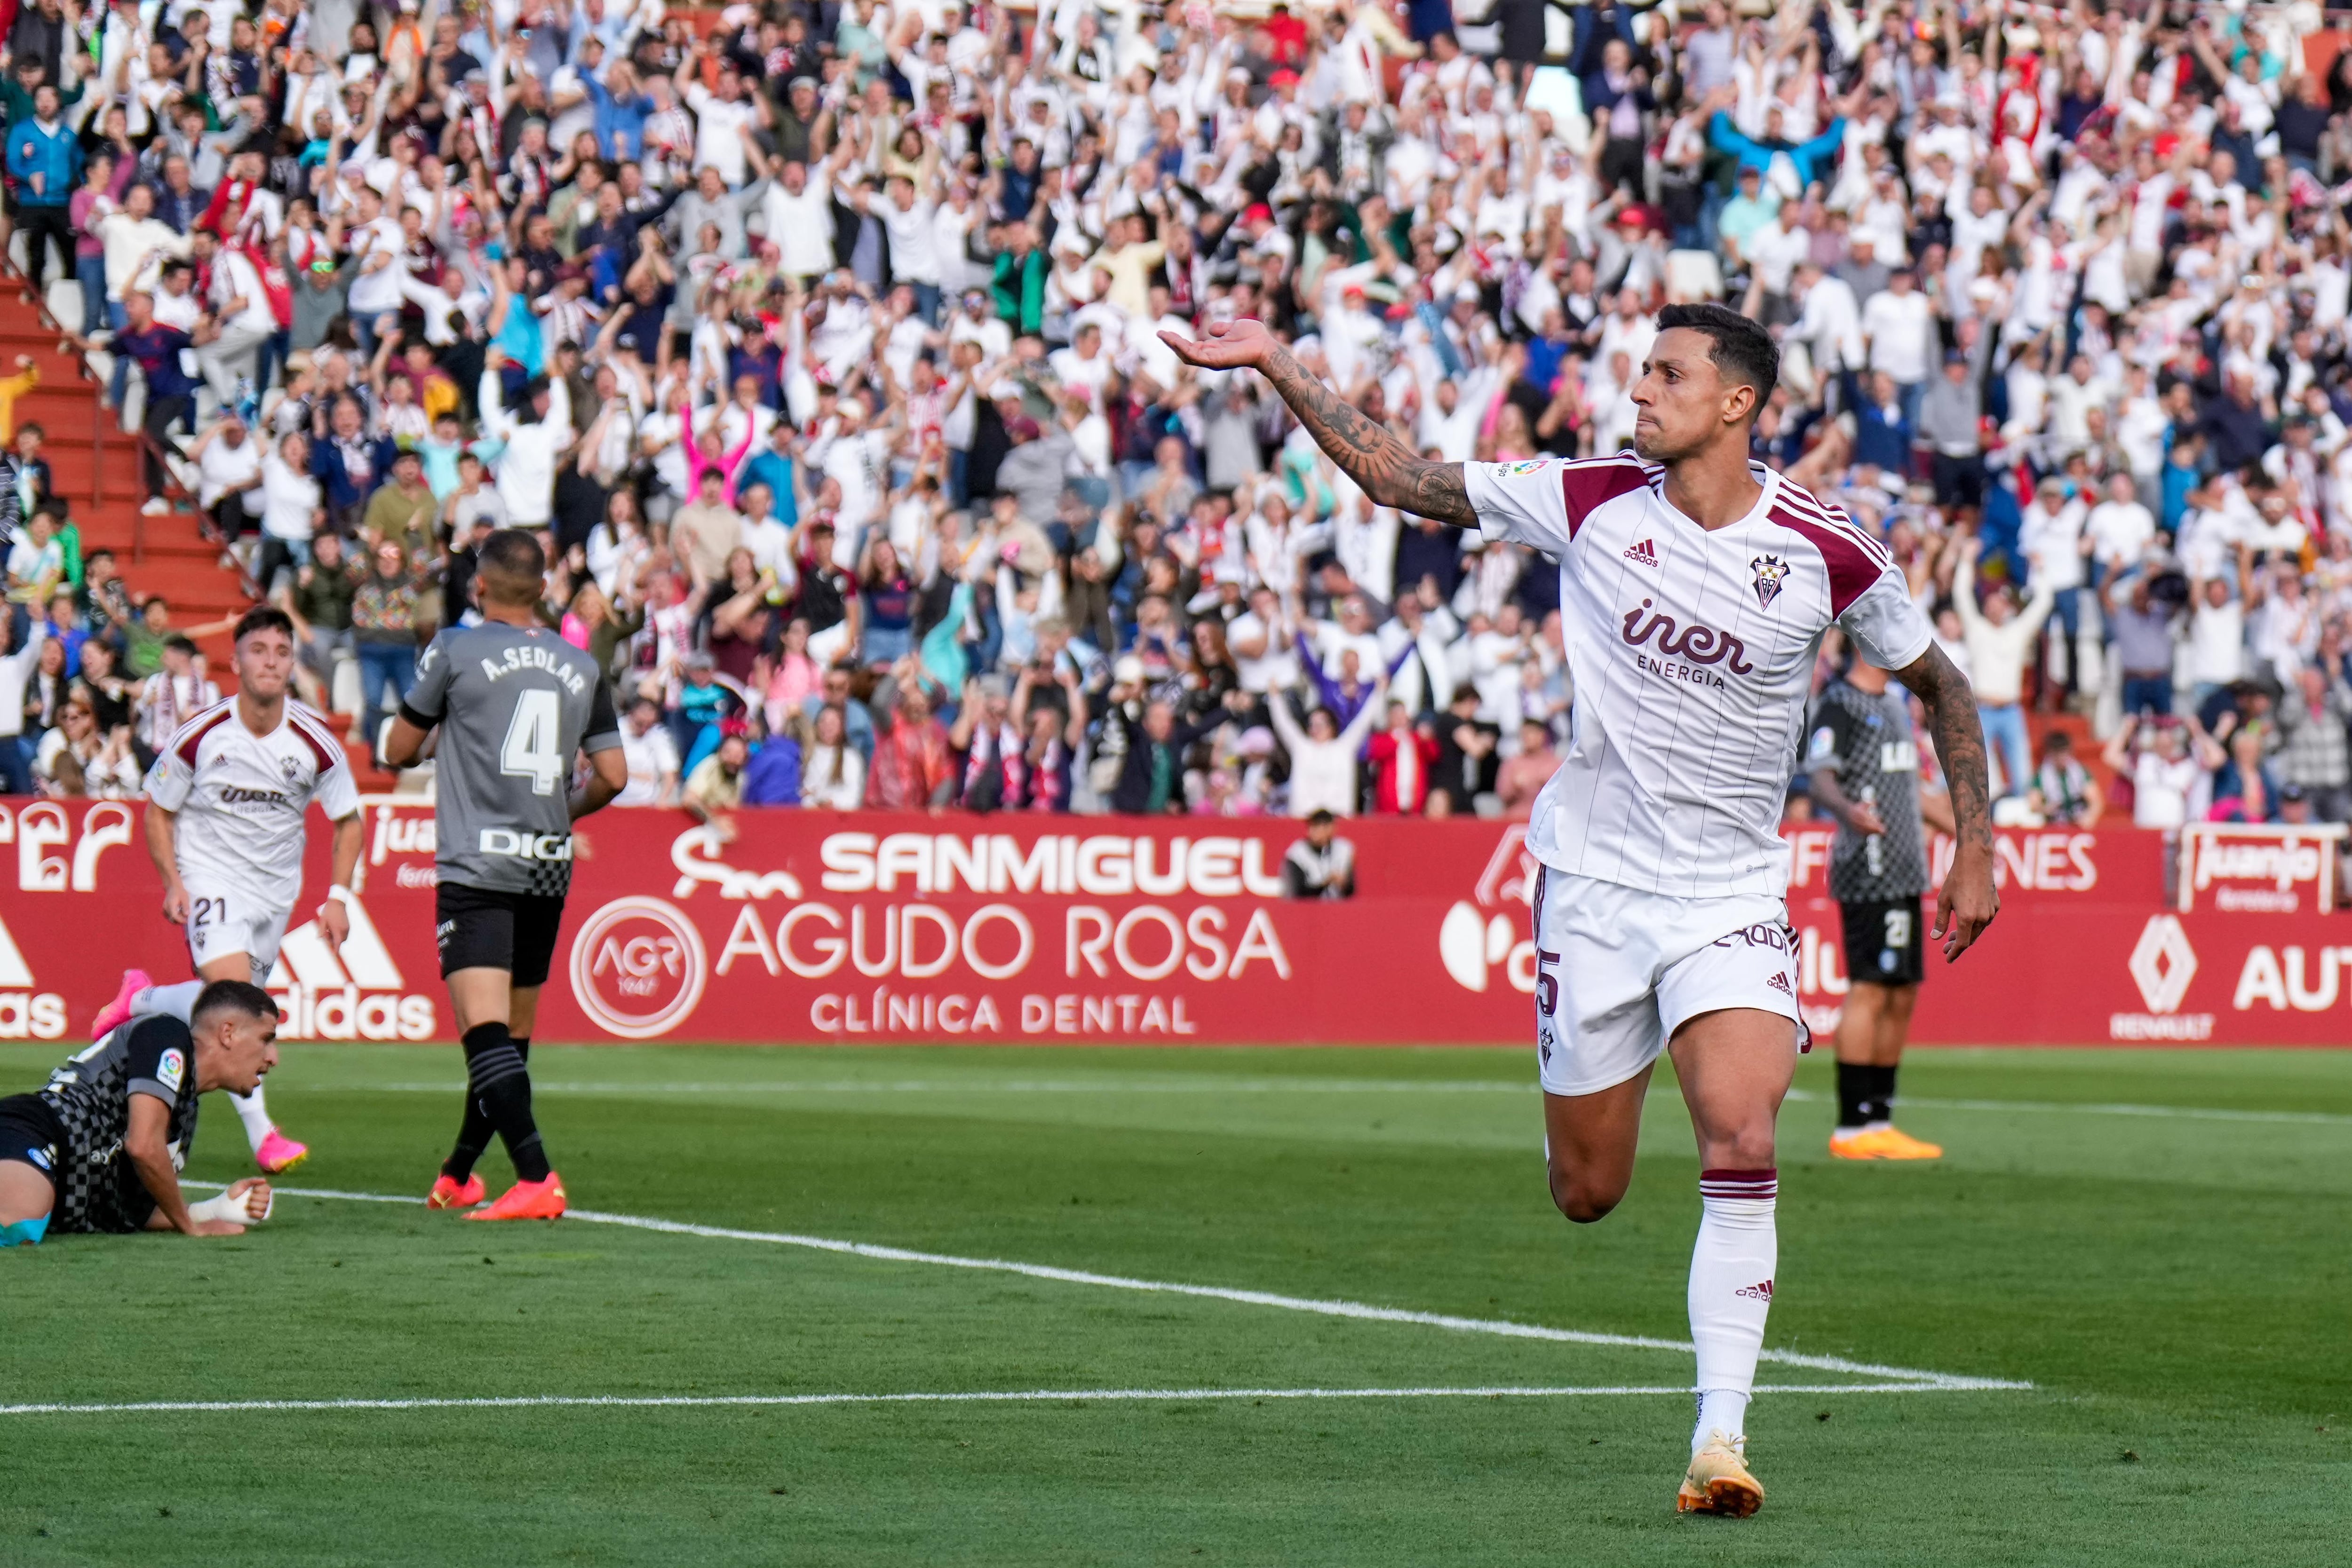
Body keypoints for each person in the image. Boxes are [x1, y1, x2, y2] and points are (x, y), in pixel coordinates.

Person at [1166, 307, 1998, 1517]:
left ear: (1735, 405)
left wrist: (1975, 846)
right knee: (1587, 1189)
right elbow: (1402, 478)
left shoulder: (1830, 551)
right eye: (1642, 368)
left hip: (1728, 892)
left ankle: (1720, 1440)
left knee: (1742, 1132)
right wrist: (1279, 365)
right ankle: (1604, 1097)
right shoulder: (1589, 496)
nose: (1641, 388)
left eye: (1669, 373)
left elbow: (1944, 683)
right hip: (1596, 890)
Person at [381, 530, 628, 1222]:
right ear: (544, 588)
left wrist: (440, 736)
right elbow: (613, 776)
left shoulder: (456, 650)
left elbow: (398, 748)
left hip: (478, 863)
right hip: (548, 865)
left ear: (478, 587)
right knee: (511, 1039)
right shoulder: (581, 665)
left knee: (482, 1030)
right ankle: (460, 1172)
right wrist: (564, 812)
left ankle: (535, 1174)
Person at [87, 606, 362, 1176]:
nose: (270, 662)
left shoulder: (315, 740)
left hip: (275, 894)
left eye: (281, 653)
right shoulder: (202, 734)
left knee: (223, 1012)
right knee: (236, 1002)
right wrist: (174, 883)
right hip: (212, 877)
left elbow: (349, 820)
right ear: (235, 661)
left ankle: (138, 999)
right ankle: (265, 1136)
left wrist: (338, 894)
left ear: (292, 664)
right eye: (258, 651)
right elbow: (158, 811)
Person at [1804, 653, 1952, 1162]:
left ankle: (1879, 1118)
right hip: (1867, 866)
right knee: (1869, 986)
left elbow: (1909, 790)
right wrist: (1845, 811)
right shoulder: (1839, 703)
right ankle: (1850, 1126)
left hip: (1906, 868)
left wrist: (1972, 835)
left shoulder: (1892, 704)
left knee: (1901, 991)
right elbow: (1820, 771)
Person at [0, 979, 280, 1243]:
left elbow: (134, 1209)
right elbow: (143, 1146)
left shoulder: (183, 1114)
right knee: (19, 1220)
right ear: (228, 1033)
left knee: (27, 1225)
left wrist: (214, 1209)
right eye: (266, 1039)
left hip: (60, 1177)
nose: (273, 1058)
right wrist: (190, 1226)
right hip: (35, 1130)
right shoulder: (167, 1034)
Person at [1280, 808, 1356, 898]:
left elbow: (1351, 890)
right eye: (1312, 826)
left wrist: (1344, 884)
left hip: (1336, 907)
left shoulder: (1343, 849)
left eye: (1319, 826)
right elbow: (1297, 892)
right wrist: (1325, 883)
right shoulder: (1298, 853)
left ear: (1331, 828)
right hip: (1308, 909)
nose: (1313, 831)